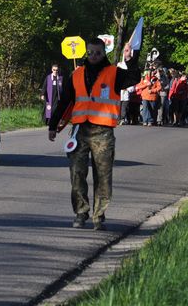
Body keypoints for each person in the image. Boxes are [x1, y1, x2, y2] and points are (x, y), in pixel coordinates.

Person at [48, 39, 140, 230]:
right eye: (90, 52)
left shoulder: (114, 73)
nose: (94, 56)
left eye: (97, 53)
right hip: (80, 131)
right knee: (77, 173)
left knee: (103, 176)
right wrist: (53, 125)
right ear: (86, 52)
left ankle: (99, 216)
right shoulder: (77, 74)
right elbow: (65, 100)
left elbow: (134, 78)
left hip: (103, 132)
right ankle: (81, 212)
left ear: (103, 52)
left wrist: (130, 59)